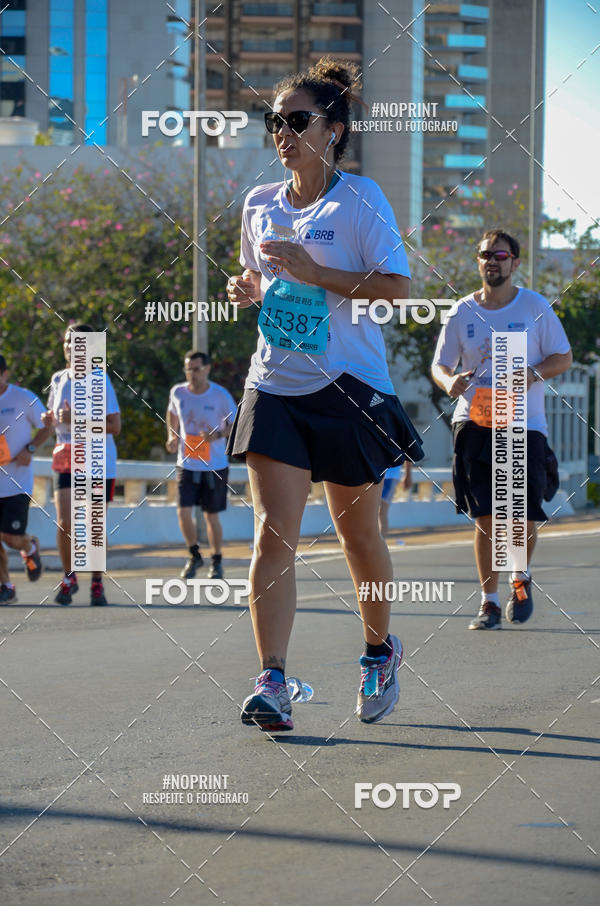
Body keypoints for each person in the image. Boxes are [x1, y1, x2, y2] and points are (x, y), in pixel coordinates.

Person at [225, 57, 424, 732]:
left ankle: (378, 651)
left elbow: (398, 291)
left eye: (297, 120)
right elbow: (262, 283)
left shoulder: (361, 200)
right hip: (275, 384)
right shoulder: (258, 204)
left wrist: (320, 270)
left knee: (358, 538)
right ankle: (273, 681)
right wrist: (251, 291)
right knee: (270, 536)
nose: (283, 132)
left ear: (333, 129)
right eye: (274, 121)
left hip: (348, 388)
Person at [431, 229, 572, 630]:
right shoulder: (461, 311)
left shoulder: (534, 306)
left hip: (524, 424)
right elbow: (440, 363)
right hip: (474, 420)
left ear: (514, 262)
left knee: (520, 516)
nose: (493, 260)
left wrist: (532, 373)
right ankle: (489, 602)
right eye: (485, 254)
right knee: (487, 516)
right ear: (477, 262)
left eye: (501, 254)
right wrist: (448, 382)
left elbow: (563, 357)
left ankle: (519, 578)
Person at [44, 324, 121, 606]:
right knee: (65, 522)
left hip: (98, 459)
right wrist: (48, 420)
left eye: (75, 343)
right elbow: (56, 417)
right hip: (65, 456)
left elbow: (115, 426)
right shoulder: (58, 379)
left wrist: (75, 420)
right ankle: (69, 576)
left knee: (93, 525)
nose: (68, 347)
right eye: (66, 342)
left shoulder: (100, 380)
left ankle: (97, 582)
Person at [166, 351, 235, 581]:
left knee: (211, 516)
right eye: (188, 369)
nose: (191, 374)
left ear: (207, 369)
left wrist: (217, 436)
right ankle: (194, 555)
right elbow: (172, 412)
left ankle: (216, 560)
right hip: (186, 463)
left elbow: (236, 424)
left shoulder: (220, 395)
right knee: (183, 513)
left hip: (214, 465)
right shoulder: (178, 392)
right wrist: (172, 435)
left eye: (195, 369)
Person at [0, 354, 49, 603]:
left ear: (5, 374)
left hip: (16, 483)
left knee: (10, 538)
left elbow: (47, 425)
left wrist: (30, 449)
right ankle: (6, 586)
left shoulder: (22, 397)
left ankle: (29, 547)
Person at [379, 461, 412, 538]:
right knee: (372, 512)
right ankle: (374, 542)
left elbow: (408, 453)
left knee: (381, 511)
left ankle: (380, 543)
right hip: (375, 475)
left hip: (390, 476)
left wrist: (408, 475)